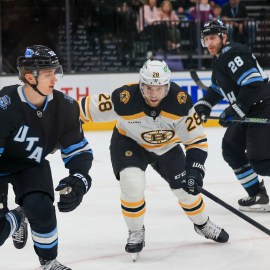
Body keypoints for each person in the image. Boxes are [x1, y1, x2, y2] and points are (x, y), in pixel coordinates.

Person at [79, 59, 229, 258]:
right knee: (132, 184)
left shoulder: (180, 103)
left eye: (159, 88)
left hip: (167, 147)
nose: (153, 94)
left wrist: (194, 169)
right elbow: (83, 109)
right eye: (148, 88)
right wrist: (61, 129)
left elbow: (196, 140)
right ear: (141, 85)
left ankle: (202, 224)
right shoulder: (124, 98)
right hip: (129, 142)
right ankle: (135, 231)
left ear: (167, 86)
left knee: (185, 190)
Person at [0, 45, 93, 270]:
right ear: (30, 77)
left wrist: (79, 178)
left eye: (55, 72)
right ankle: (18, 217)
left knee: (41, 208)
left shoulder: (66, 107)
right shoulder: (5, 104)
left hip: (31, 164)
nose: (55, 79)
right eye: (49, 74)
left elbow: (78, 150)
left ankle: (48, 262)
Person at [194, 20, 270, 212]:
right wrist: (205, 105)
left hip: (263, 106)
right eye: (206, 39)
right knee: (231, 148)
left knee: (260, 162)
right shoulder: (219, 58)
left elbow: (253, 85)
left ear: (224, 37)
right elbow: (216, 89)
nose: (209, 43)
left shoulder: (233, 53)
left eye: (212, 38)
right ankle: (258, 195)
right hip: (248, 110)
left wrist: (235, 109)